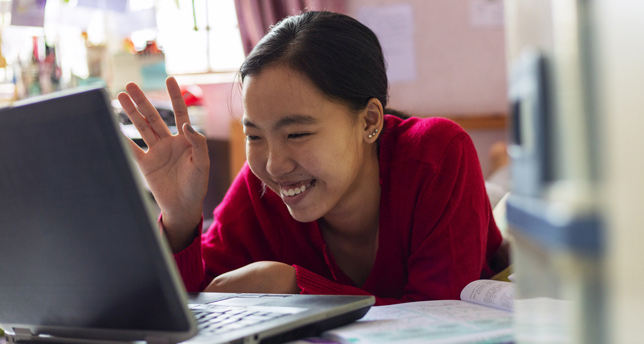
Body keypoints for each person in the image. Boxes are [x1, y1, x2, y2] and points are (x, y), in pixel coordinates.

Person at [117, 11, 505, 306]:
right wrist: (182, 222)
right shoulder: (261, 188)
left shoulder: (437, 155)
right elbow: (194, 307)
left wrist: (297, 287)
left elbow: (443, 319)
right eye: (254, 135)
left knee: (506, 195)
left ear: (369, 120)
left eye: (297, 134)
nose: (274, 164)